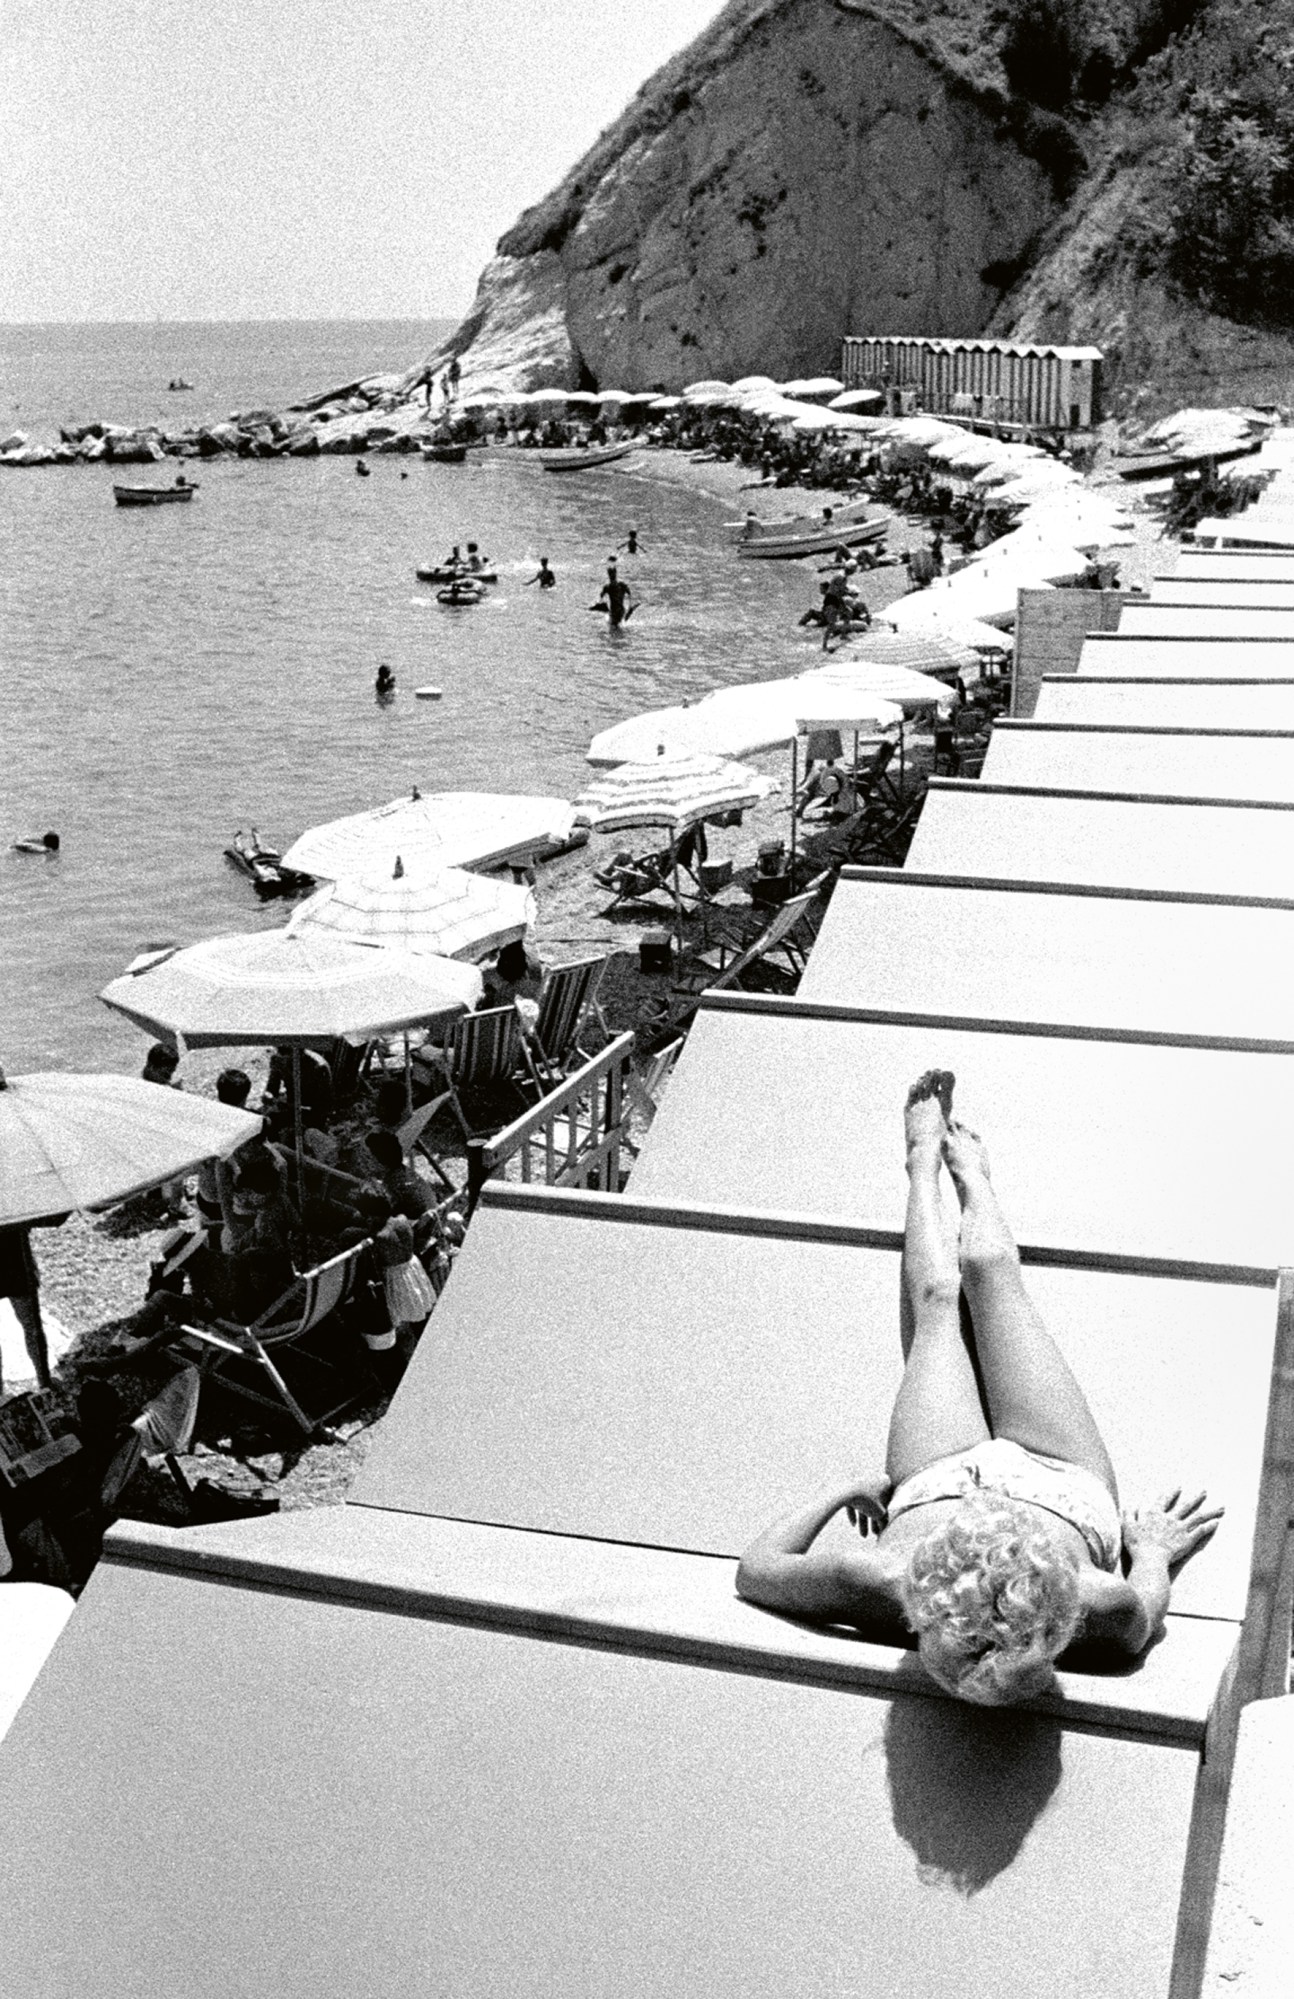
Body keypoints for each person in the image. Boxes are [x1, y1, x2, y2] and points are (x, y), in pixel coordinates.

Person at [735, 1071, 1223, 1706]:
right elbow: (1143, 1617)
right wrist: (1152, 1550)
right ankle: (975, 1178)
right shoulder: (1097, 1607)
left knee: (940, 1301)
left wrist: (843, 1491)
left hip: (937, 1472)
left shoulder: (881, 1578)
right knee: (992, 1277)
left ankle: (920, 1166)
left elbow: (757, 1570)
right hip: (1061, 1478)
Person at [0, 1224, 52, 1392]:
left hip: (15, 1254)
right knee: (32, 1325)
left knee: (32, 1325)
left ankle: (45, 1382)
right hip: (15, 1253)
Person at [592, 562, 635, 630]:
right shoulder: (622, 585)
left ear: (609, 576)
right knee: (619, 626)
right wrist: (630, 606)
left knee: (613, 627)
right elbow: (629, 593)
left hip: (614, 612)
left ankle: (624, 620)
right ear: (616, 575)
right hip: (621, 611)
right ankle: (627, 615)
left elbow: (601, 597)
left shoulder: (608, 587)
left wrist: (599, 605)